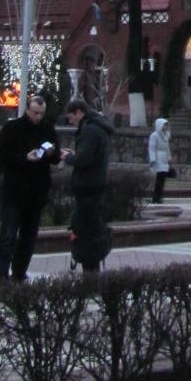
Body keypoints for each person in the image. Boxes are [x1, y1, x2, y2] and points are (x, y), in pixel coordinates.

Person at [0, 90, 60, 283]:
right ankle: (3, 274)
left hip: (37, 191)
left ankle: (19, 273)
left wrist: (51, 155)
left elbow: (55, 156)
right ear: (27, 110)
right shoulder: (12, 128)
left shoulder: (48, 129)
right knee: (8, 235)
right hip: (15, 191)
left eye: (41, 113)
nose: (38, 117)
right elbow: (0, 156)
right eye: (35, 113)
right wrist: (24, 158)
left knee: (29, 237)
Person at [60, 97, 115, 272]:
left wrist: (68, 157)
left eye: (71, 117)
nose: (70, 122)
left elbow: (85, 160)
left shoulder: (90, 130)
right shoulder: (98, 128)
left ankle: (90, 272)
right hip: (94, 185)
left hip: (87, 187)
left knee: (86, 231)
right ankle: (91, 270)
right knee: (90, 228)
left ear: (79, 113)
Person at [148, 116, 172, 203]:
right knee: (159, 179)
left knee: (162, 180)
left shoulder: (166, 136)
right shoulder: (154, 136)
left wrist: (169, 158)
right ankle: (156, 198)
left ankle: (159, 196)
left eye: (166, 125)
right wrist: (152, 160)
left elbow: (167, 148)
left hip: (164, 159)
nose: (166, 127)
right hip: (158, 159)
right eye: (164, 125)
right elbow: (152, 148)